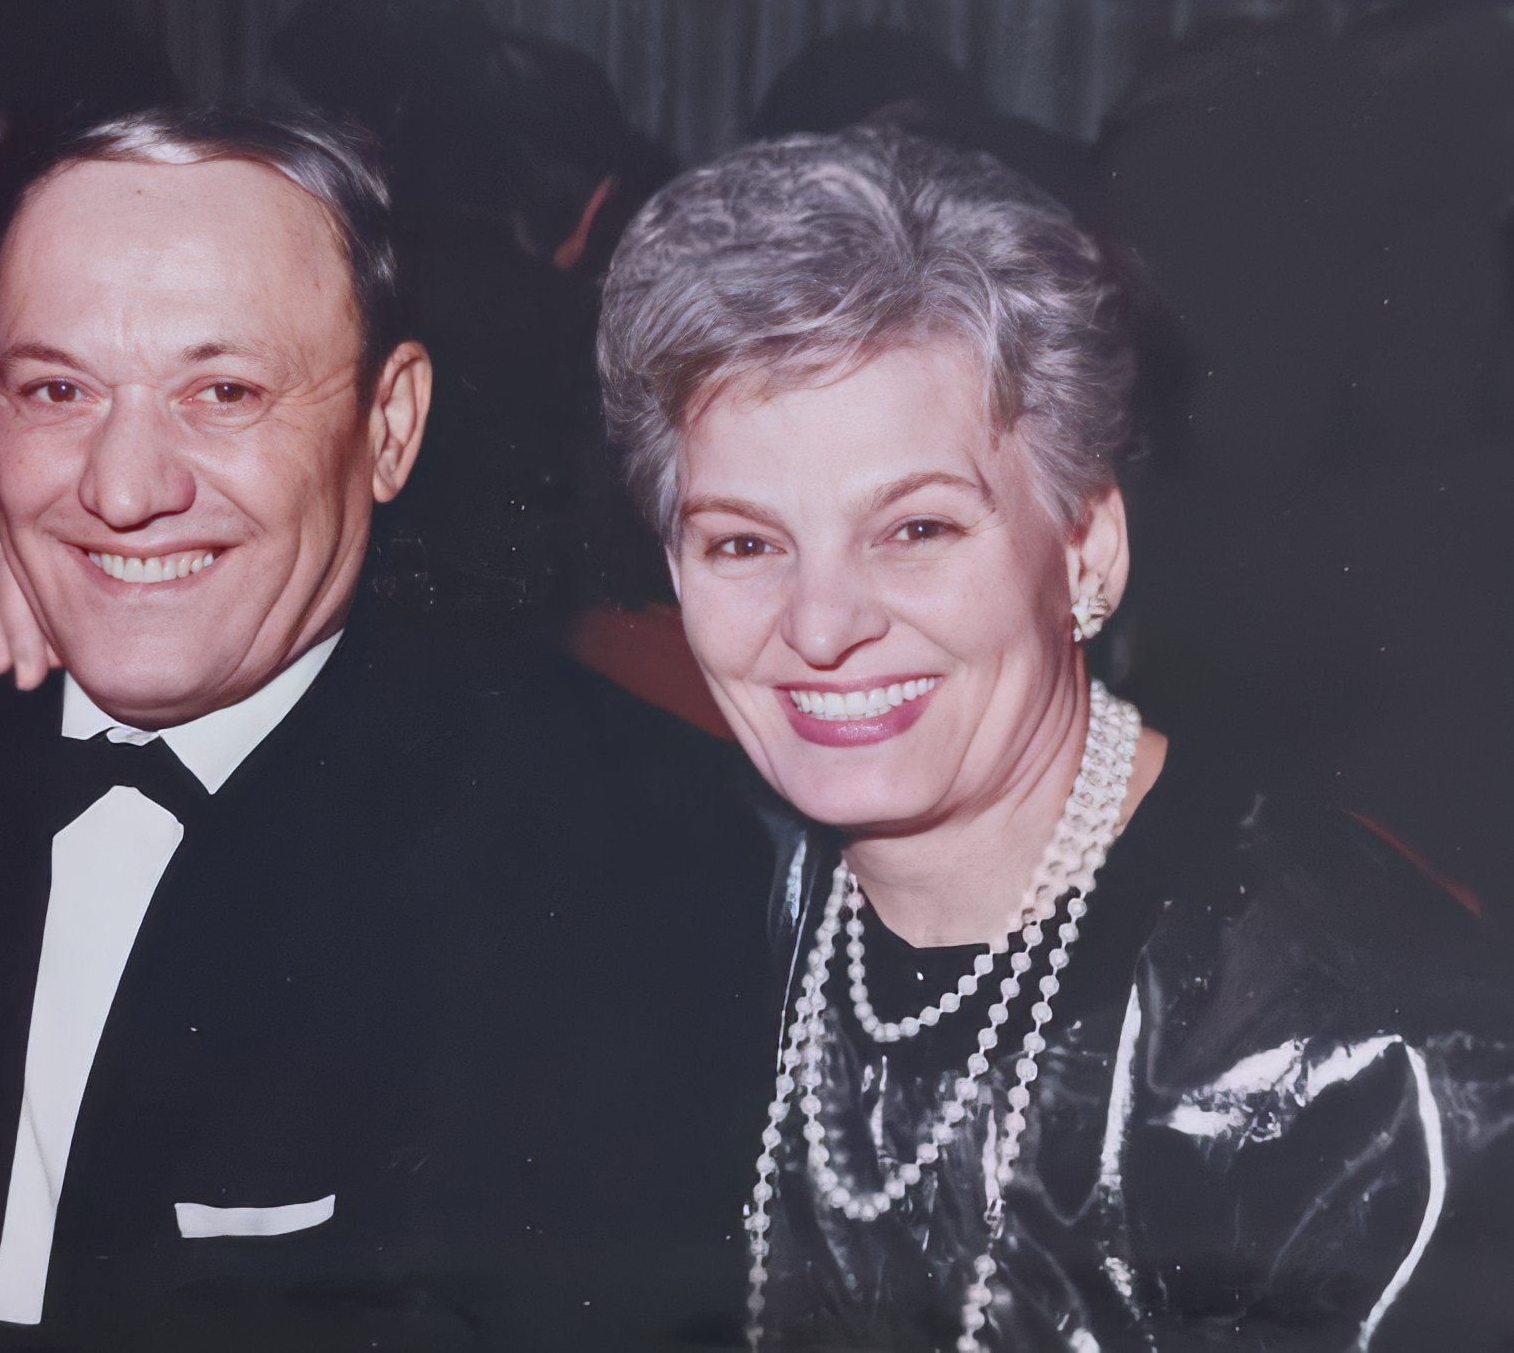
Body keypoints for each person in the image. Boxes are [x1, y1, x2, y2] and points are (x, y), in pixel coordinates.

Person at [0, 107, 773, 1352]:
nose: (123, 488)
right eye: (57, 390)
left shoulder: (606, 849)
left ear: (390, 425)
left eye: (224, 392)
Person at [589, 123, 1514, 1349]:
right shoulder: (695, 926)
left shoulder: (1368, 1069)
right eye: (745, 542)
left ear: (1087, 549)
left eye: (915, 528)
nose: (817, 625)